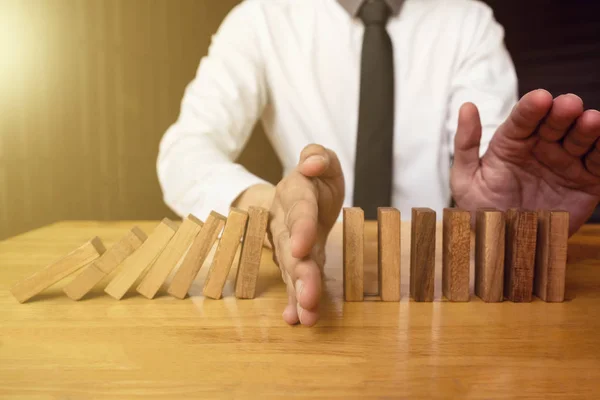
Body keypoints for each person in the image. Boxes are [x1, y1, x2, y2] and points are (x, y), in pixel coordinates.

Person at [157, 0, 600, 326]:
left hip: (432, 298)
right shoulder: (260, 20)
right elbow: (184, 151)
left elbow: (489, 158)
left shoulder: (468, 22)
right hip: (317, 277)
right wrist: (271, 206)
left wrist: (511, 221)